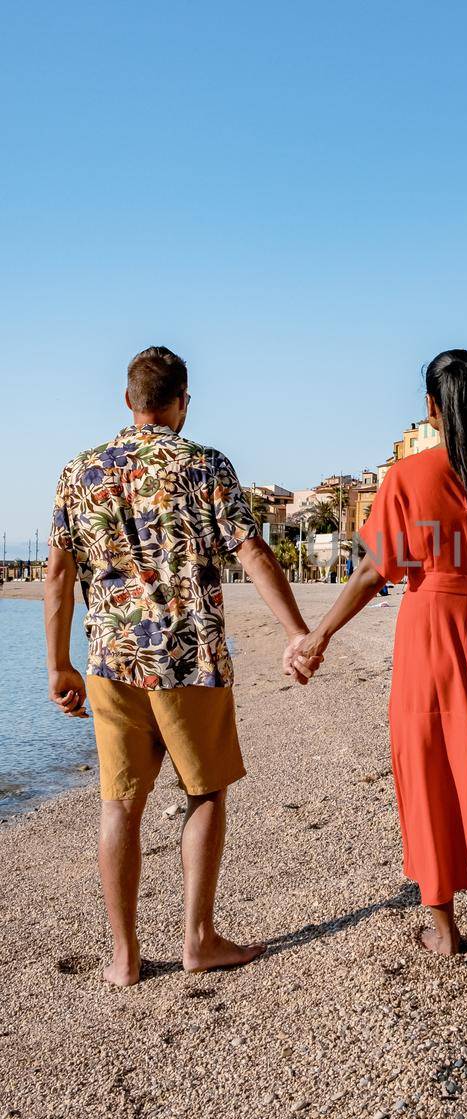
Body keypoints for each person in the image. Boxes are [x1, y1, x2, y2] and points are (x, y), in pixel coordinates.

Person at [45, 346, 317, 986]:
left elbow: (58, 576)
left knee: (119, 805)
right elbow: (252, 553)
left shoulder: (78, 472)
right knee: (203, 793)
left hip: (113, 662)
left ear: (127, 401)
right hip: (191, 660)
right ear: (183, 401)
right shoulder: (206, 465)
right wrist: (297, 632)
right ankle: (197, 940)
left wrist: (59, 665)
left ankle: (123, 957)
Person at [287, 349, 467, 964]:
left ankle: (442, 925)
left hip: (429, 631)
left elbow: (372, 574)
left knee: (428, 767)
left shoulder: (407, 479)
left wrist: (319, 635)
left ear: (431, 408)